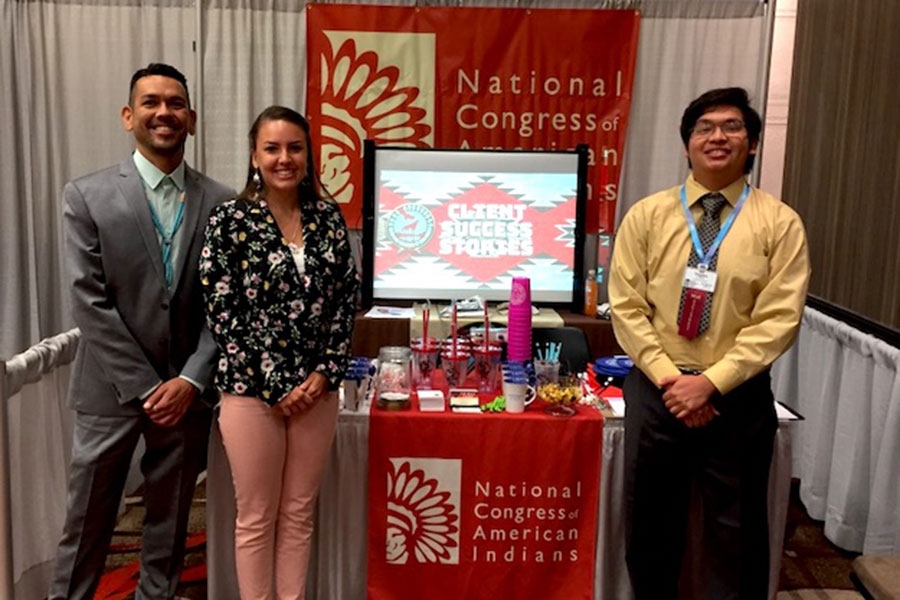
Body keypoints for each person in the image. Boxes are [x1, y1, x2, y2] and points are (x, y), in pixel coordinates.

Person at [609, 87, 810, 600]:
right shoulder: (648, 216)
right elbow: (627, 306)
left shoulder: (779, 223)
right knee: (651, 525)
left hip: (736, 396)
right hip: (659, 391)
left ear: (754, 143)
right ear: (686, 144)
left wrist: (711, 384)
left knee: (736, 531)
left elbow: (779, 318)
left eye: (732, 126)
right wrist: (673, 381)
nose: (717, 136)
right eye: (704, 127)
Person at [50, 63, 233, 600]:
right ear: (129, 115)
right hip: (110, 389)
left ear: (192, 119)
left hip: (187, 393)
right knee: (87, 523)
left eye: (175, 103)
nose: (164, 113)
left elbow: (224, 308)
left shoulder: (222, 203)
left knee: (169, 524)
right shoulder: (86, 196)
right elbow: (89, 301)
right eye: (150, 102)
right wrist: (149, 386)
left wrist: (191, 380)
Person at [199, 105, 359, 599]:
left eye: (294, 148)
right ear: (254, 156)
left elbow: (344, 301)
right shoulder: (230, 220)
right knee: (255, 517)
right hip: (251, 395)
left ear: (309, 157)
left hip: (317, 392)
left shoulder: (328, 219)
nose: (283, 158)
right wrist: (276, 385)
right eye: (272, 148)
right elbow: (222, 312)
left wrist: (326, 372)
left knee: (298, 513)